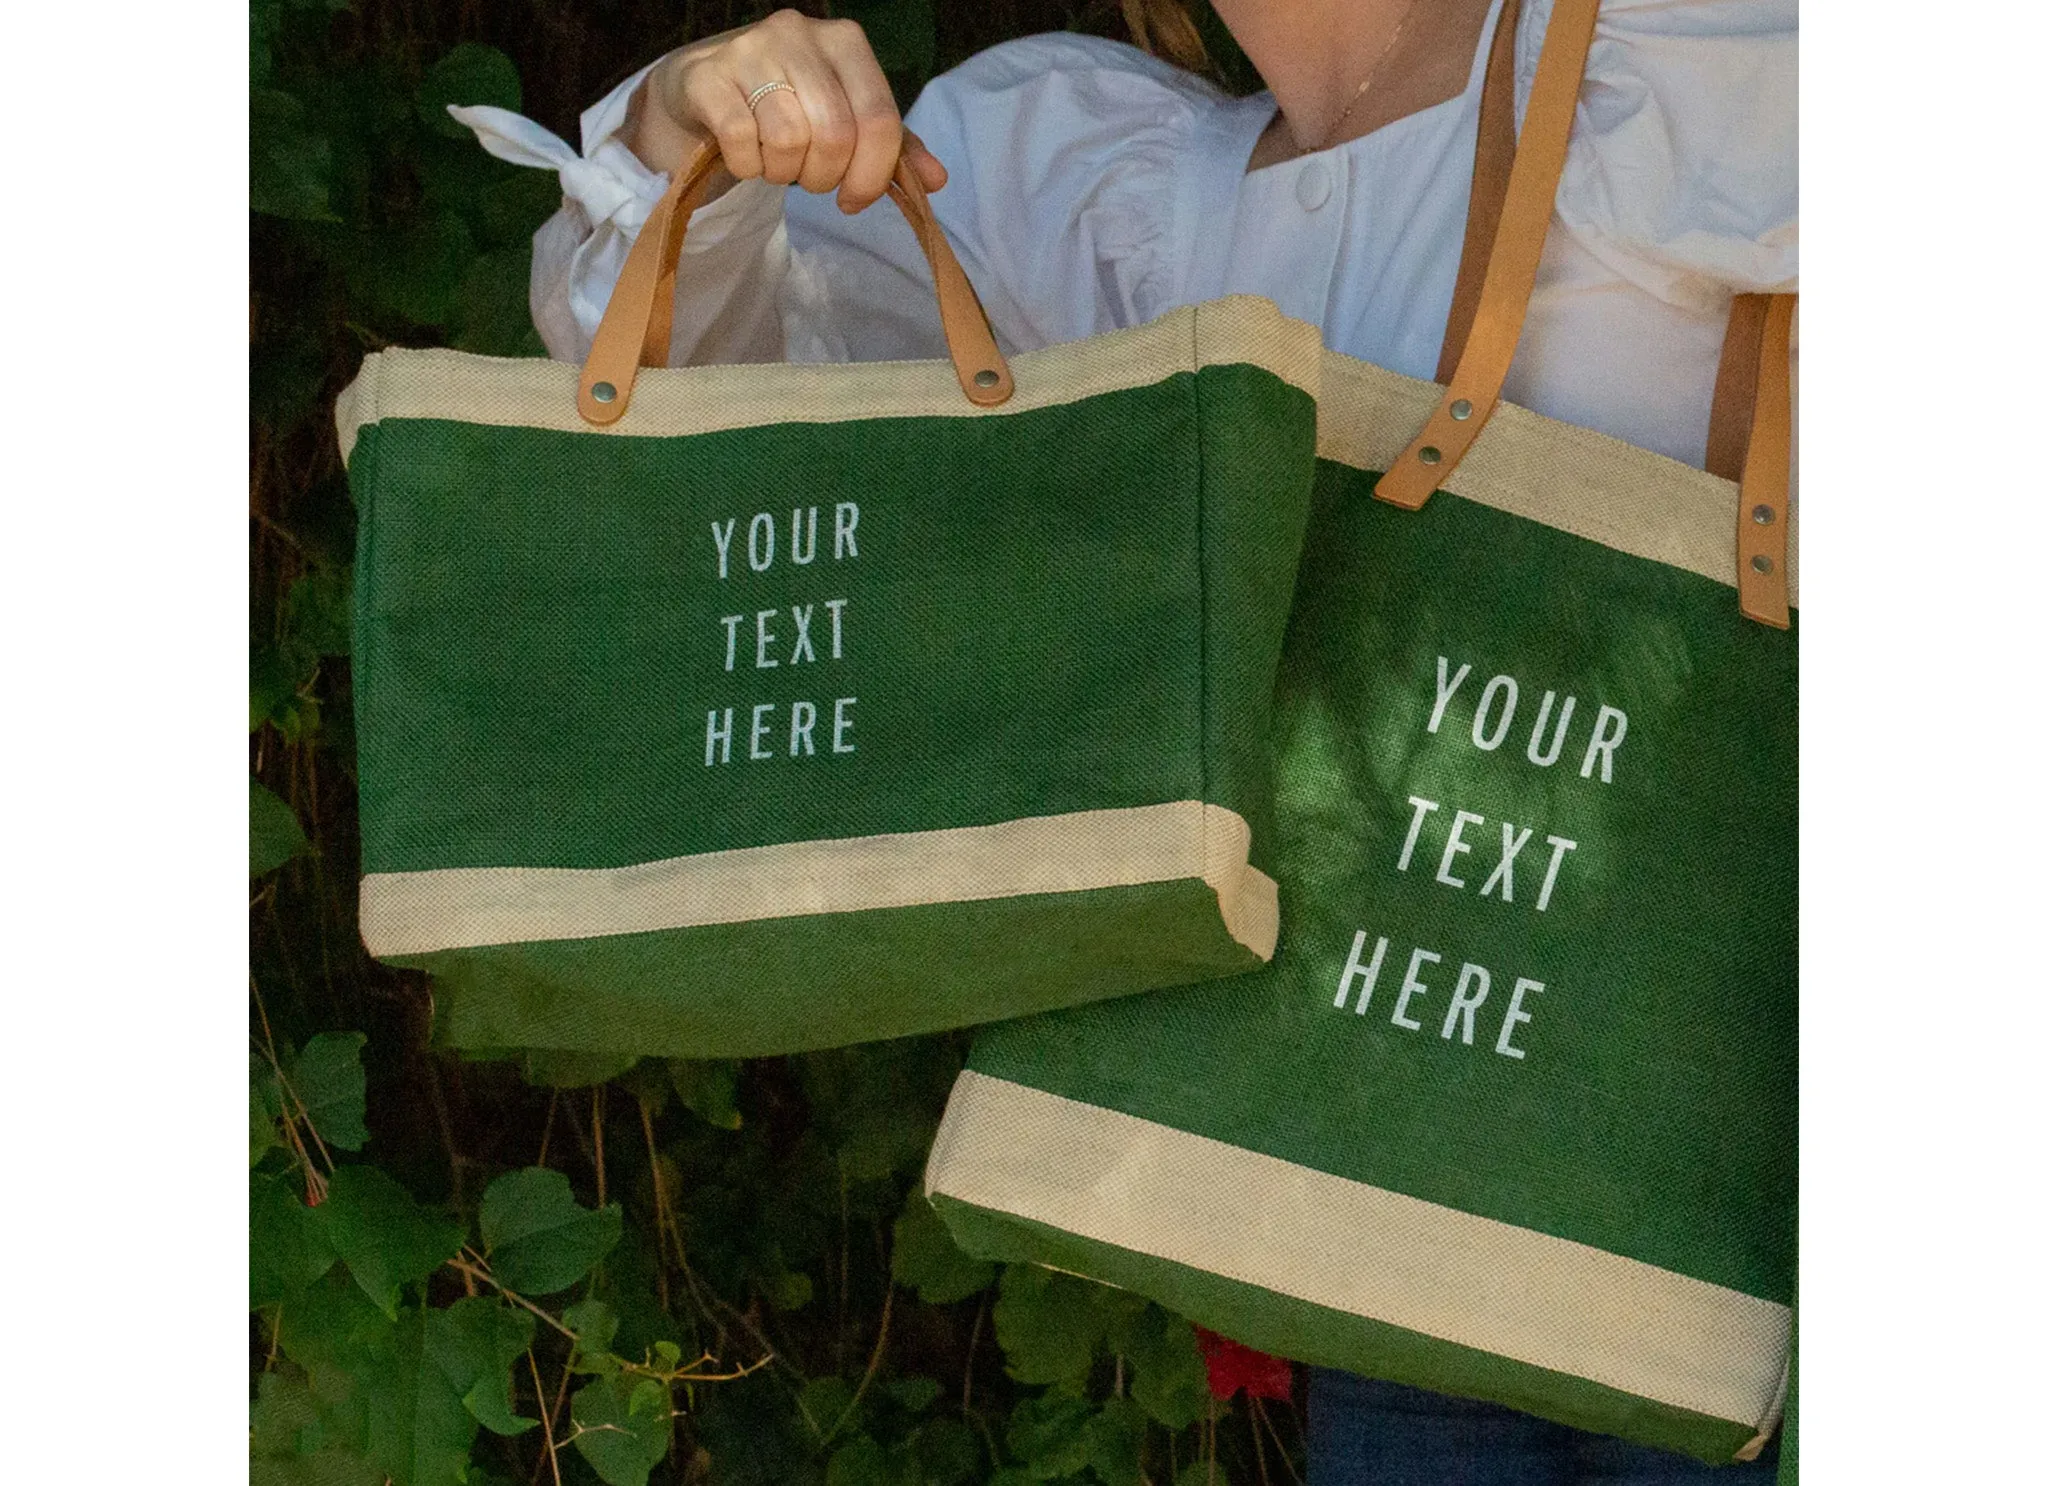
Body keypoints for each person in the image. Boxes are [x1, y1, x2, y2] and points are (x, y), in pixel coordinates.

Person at [456, 1, 1794, 1479]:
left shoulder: (1683, 45)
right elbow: (697, 404)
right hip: (1390, 1243)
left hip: (1752, 1210)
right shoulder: (1092, 175)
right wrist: (687, 131)